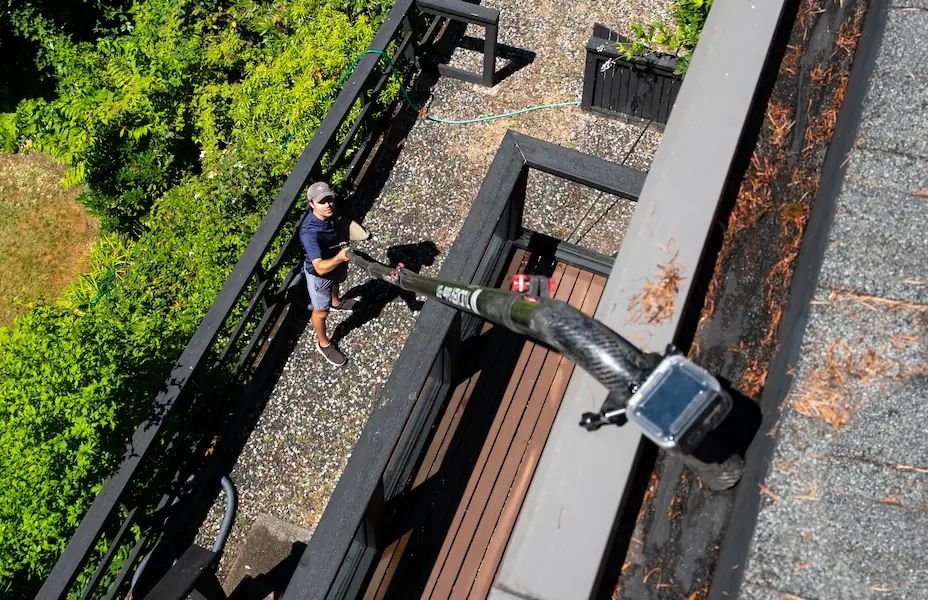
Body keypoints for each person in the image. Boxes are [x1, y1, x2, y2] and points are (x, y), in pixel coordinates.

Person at [300, 181, 359, 367]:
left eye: (329, 199)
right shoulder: (310, 232)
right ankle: (323, 343)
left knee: (337, 281)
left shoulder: (330, 214)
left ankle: (336, 302)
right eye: (321, 202)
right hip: (319, 275)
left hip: (334, 260)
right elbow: (319, 268)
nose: (327, 204)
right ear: (311, 204)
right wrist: (340, 258)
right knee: (321, 312)